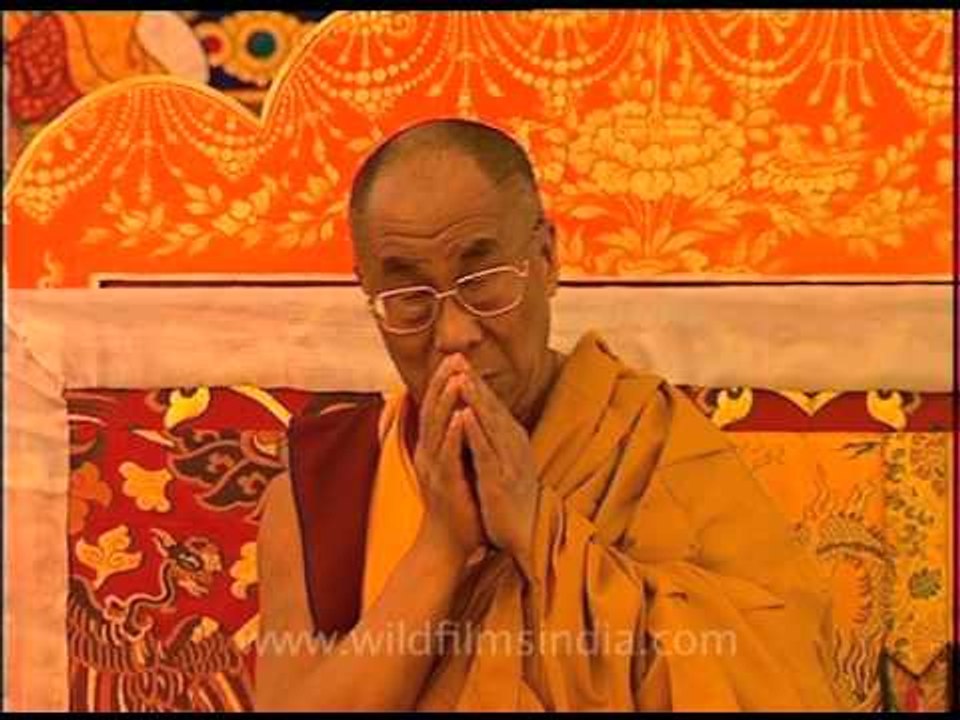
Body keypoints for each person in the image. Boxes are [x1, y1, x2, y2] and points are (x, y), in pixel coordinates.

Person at [254, 118, 841, 711]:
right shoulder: (328, 486)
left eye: (483, 283)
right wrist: (441, 543)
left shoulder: (648, 443)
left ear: (547, 257)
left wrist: (535, 524)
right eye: (410, 300)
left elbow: (772, 676)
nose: (454, 335)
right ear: (368, 293)